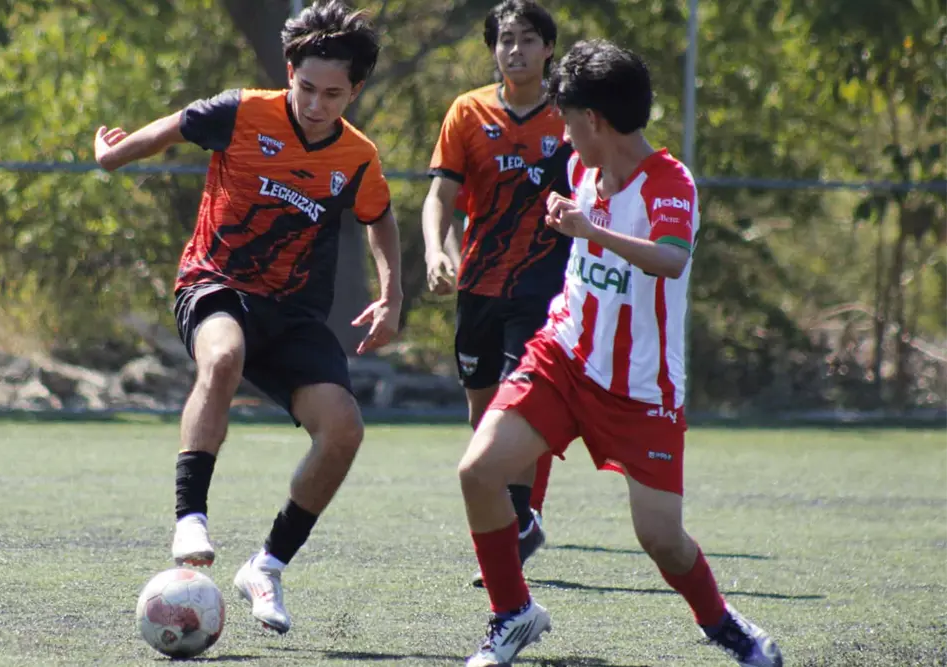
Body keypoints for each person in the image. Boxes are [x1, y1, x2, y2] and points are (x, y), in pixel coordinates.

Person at [455, 40, 784, 667]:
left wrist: (590, 229)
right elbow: (580, 232)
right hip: (563, 355)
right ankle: (512, 614)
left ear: (596, 121)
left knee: (661, 539)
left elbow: (670, 258)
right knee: (478, 472)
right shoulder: (581, 170)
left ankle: (725, 626)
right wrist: (568, 219)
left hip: (641, 389)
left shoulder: (669, 181)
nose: (563, 129)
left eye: (569, 117)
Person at [92, 0, 402, 635]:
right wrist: (111, 157)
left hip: (292, 314)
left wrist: (393, 295)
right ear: (290, 72)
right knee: (224, 356)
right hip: (216, 283)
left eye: (333, 94)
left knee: (343, 428)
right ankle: (189, 517)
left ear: (356, 91)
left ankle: (267, 565)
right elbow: (172, 128)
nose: (316, 104)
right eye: (307, 87)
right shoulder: (241, 111)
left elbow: (381, 218)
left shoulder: (358, 157)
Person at [421, 0, 573, 588]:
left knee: (519, 405)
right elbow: (440, 195)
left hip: (543, 289)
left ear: (548, 49)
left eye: (528, 39)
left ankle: (520, 521)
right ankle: (517, 515)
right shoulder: (467, 111)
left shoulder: (570, 117)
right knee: (484, 415)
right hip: (478, 286)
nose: (516, 50)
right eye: (506, 40)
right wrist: (437, 249)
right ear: (493, 49)